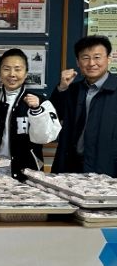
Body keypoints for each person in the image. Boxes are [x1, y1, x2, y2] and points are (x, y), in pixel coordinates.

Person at [0, 48, 61, 180]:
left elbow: (45, 138)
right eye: (6, 69)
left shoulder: (41, 102)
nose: (12, 74)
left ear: (26, 73)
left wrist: (37, 110)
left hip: (27, 174)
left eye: (18, 69)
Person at [50, 35, 117, 176]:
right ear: (78, 62)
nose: (91, 63)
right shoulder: (72, 90)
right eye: (85, 58)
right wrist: (62, 88)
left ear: (108, 59)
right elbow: (51, 117)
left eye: (97, 57)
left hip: (107, 168)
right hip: (72, 166)